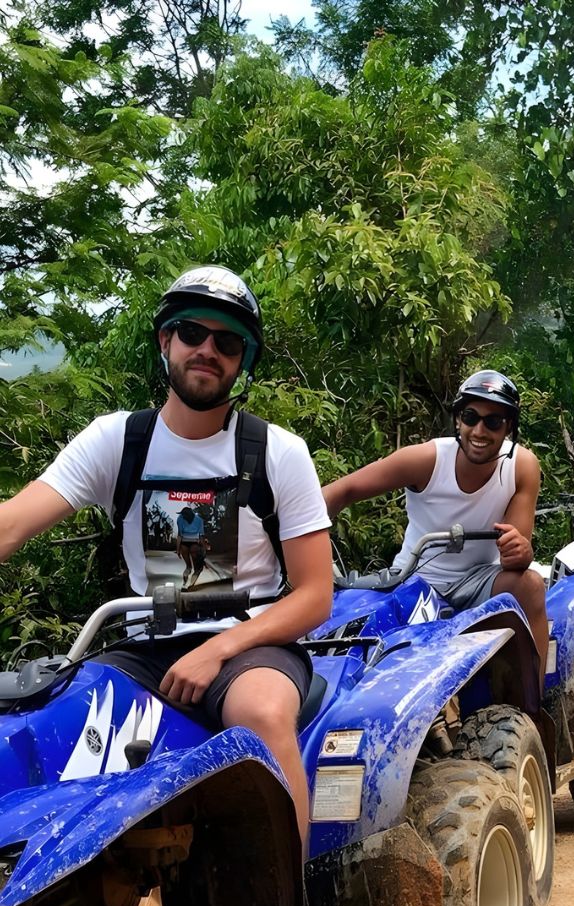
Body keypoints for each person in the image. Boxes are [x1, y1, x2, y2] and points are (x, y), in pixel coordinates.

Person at [0, 265, 333, 847]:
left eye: (227, 342)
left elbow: (314, 595)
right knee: (42, 729)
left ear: (242, 360)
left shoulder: (278, 453)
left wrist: (218, 648)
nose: (208, 350)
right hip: (143, 649)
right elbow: (12, 525)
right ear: (165, 342)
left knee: (261, 713)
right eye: (192, 334)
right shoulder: (117, 441)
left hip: (251, 646)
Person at [322, 369, 548, 684]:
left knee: (532, 585)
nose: (479, 430)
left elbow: (516, 554)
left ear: (509, 427)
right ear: (458, 420)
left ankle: (535, 703)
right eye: (471, 417)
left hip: (477, 581)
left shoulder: (522, 466)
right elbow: (341, 492)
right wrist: (295, 538)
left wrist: (520, 550)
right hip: (414, 580)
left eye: (493, 421)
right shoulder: (426, 459)